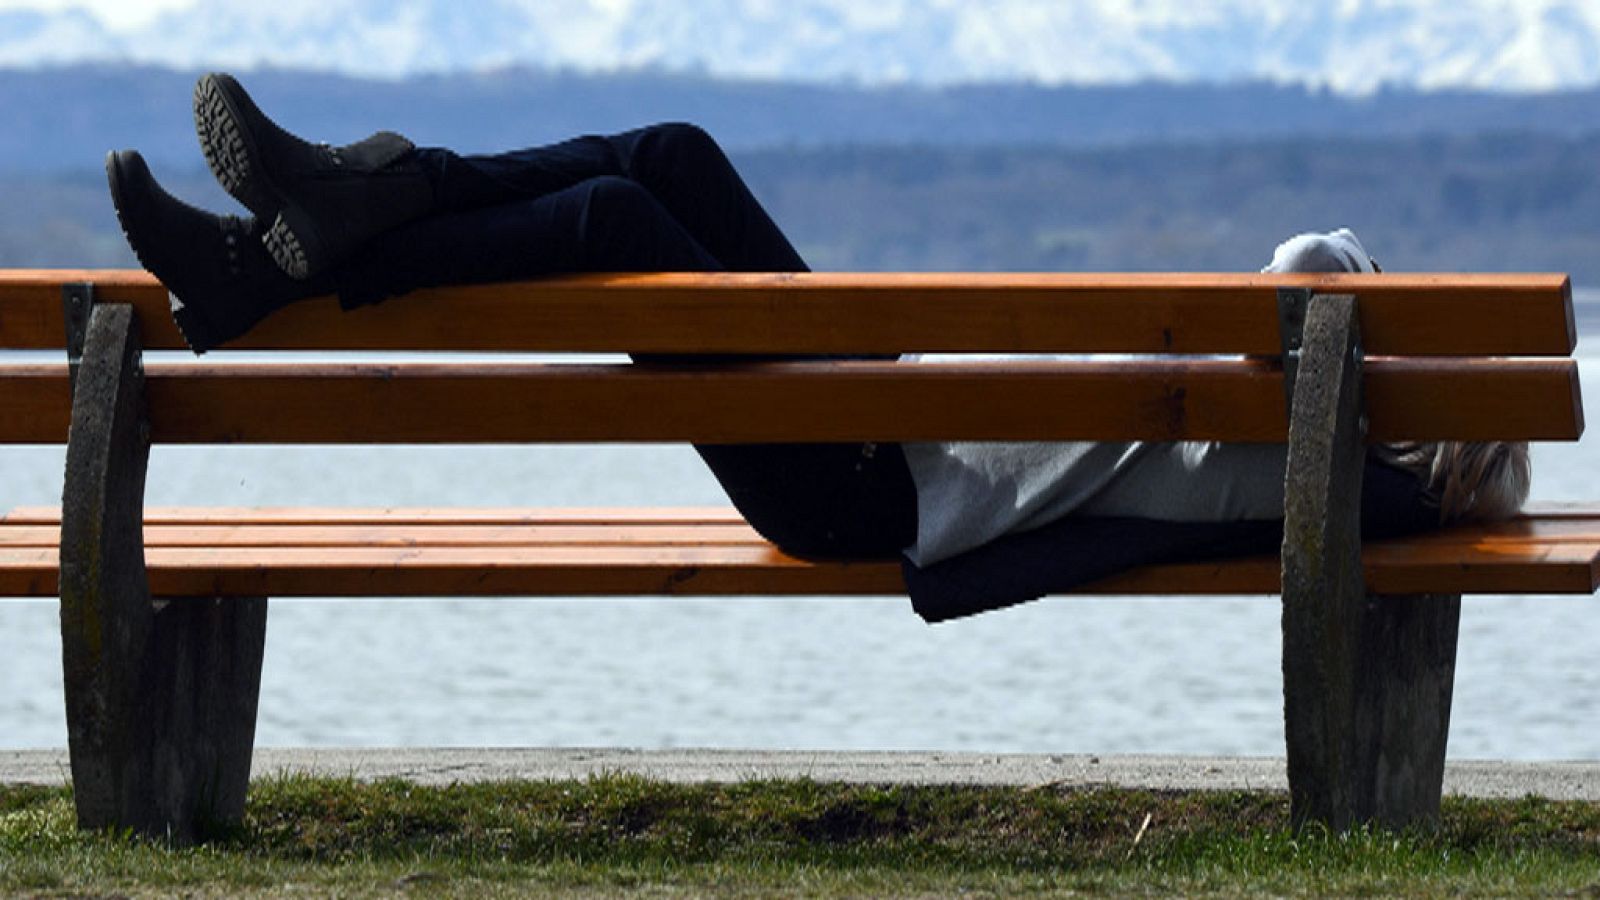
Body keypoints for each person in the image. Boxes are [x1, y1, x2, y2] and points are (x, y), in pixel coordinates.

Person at [107, 73, 1532, 621]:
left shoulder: (1317, 460)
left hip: (858, 486)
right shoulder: (1294, 432)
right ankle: (345, 211)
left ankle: (287, 256)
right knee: (671, 149)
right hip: (872, 421)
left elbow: (1304, 268)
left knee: (615, 211)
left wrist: (1369, 278)